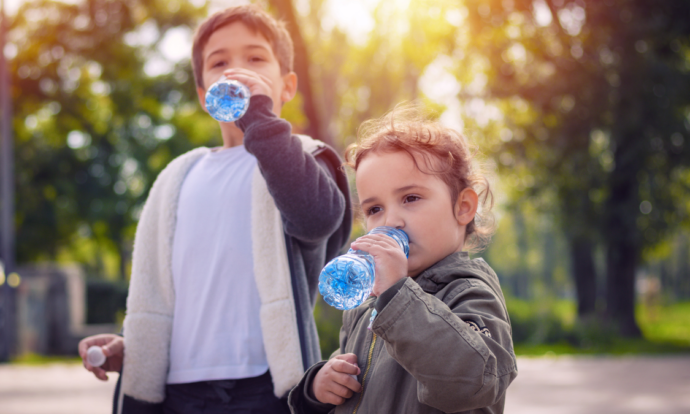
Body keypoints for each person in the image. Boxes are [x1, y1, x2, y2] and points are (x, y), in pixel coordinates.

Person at [78, 5, 352, 413]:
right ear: (205, 96)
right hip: (177, 392)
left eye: (255, 58)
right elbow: (172, 293)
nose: (236, 71)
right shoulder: (176, 179)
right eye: (219, 62)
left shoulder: (302, 158)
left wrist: (259, 115)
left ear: (287, 85)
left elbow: (317, 217)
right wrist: (134, 349)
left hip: (265, 388)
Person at [288, 107, 517, 414]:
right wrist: (318, 388)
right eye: (374, 210)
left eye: (410, 198)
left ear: (463, 207)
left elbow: (476, 380)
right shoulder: (368, 305)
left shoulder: (468, 291)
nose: (390, 221)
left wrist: (398, 294)